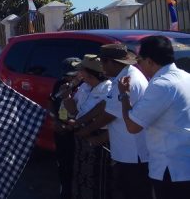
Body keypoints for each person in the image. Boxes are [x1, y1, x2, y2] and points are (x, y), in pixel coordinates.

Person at [74, 44, 152, 199]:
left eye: (103, 62)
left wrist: (84, 131)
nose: (101, 66)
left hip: (132, 153)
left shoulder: (126, 81)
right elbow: (107, 107)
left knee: (135, 192)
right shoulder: (123, 77)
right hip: (128, 150)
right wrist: (81, 123)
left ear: (112, 62)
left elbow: (109, 115)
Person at [117, 35, 190, 199]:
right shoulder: (185, 76)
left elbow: (133, 126)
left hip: (171, 168)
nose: (138, 64)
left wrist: (124, 95)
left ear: (150, 61)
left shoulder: (161, 85)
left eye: (139, 59)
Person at [62, 54, 112, 199]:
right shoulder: (84, 87)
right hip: (82, 140)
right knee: (81, 180)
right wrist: (67, 96)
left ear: (90, 73)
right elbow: (73, 111)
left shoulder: (107, 90)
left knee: (98, 182)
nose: (79, 74)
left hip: (98, 141)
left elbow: (105, 117)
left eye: (81, 70)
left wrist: (81, 125)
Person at [48, 57, 81, 199]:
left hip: (75, 131)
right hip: (61, 131)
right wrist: (55, 121)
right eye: (66, 75)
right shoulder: (59, 85)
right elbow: (51, 102)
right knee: (63, 165)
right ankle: (64, 191)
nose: (68, 79)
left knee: (76, 166)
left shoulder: (83, 88)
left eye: (72, 75)